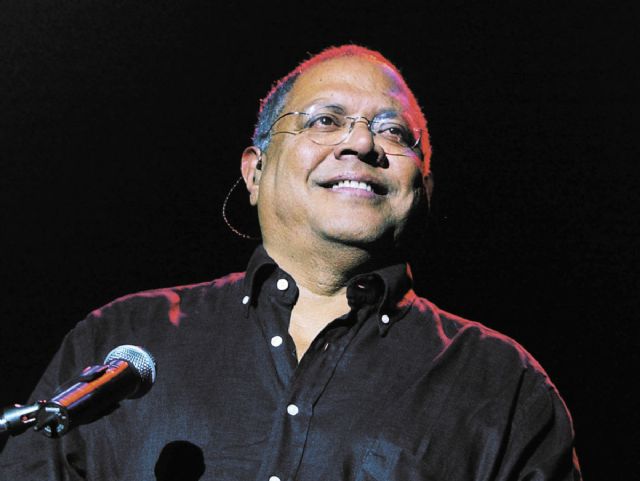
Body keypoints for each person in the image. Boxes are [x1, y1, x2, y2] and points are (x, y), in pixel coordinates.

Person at [0, 45, 581, 481]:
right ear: (255, 171)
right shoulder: (122, 339)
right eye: (325, 120)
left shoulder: (502, 387)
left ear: (424, 189)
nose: (361, 144)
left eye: (393, 131)